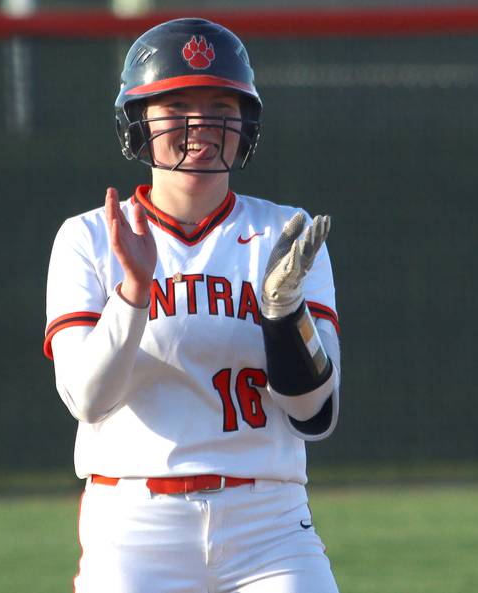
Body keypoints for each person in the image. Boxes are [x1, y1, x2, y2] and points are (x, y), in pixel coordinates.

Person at [44, 17, 341, 593]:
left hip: (269, 525)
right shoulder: (88, 237)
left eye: (220, 105)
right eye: (177, 105)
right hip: (134, 523)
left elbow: (316, 415)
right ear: (139, 121)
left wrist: (283, 314)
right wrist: (132, 294)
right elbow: (87, 398)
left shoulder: (286, 234)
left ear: (245, 122)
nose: (200, 124)